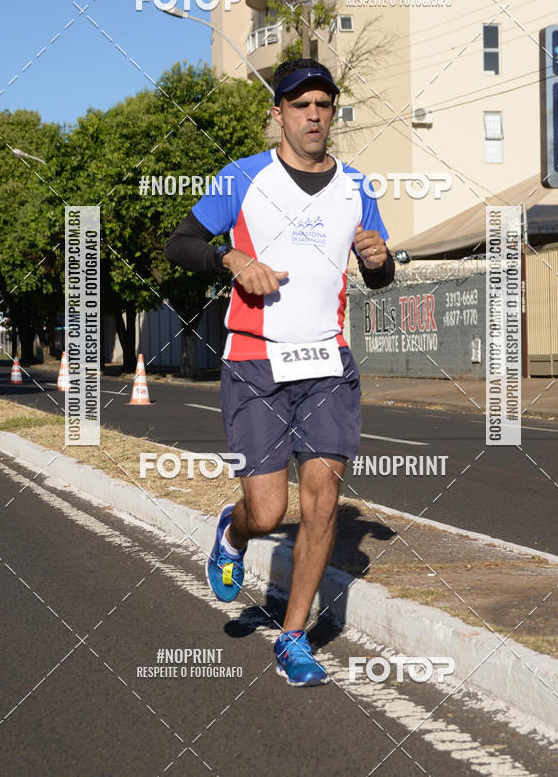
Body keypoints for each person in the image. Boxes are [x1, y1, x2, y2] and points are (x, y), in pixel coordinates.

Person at [164, 58, 394, 686]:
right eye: (300, 105)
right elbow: (178, 245)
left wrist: (378, 258)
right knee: (267, 511)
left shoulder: (357, 187)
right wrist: (232, 257)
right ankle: (232, 535)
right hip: (254, 362)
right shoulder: (243, 178)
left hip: (328, 364)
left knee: (321, 501)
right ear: (279, 114)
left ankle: (293, 639)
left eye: (323, 104)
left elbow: (378, 272)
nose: (314, 115)